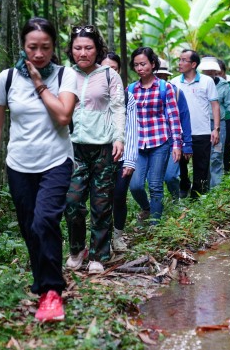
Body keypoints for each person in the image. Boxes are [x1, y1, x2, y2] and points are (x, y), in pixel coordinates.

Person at [0, 17, 78, 323]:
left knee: (46, 220)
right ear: (22, 47)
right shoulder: (7, 78)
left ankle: (51, 293)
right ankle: (42, 281)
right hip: (19, 164)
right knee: (30, 227)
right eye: (32, 47)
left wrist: (38, 83)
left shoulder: (65, 75)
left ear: (53, 48)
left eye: (45, 47)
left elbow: (63, 116)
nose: (38, 54)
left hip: (56, 160)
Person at [64, 26, 126, 274]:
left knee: (101, 204)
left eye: (88, 47)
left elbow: (118, 108)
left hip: (103, 148)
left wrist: (119, 138)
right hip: (73, 147)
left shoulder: (110, 75)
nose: (83, 52)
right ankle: (77, 249)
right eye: (78, 47)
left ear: (97, 49)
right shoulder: (66, 75)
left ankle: (99, 255)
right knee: (72, 202)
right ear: (71, 50)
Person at [128, 47, 182, 223]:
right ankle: (147, 208)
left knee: (155, 186)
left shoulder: (165, 87)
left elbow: (173, 117)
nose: (139, 68)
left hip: (160, 142)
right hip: (138, 144)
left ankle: (155, 225)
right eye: (136, 65)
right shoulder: (130, 89)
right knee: (135, 186)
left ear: (152, 64)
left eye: (143, 64)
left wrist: (177, 144)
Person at [171, 50, 220, 199]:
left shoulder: (207, 81)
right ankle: (184, 185)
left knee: (201, 166)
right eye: (179, 60)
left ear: (193, 64)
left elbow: (215, 105)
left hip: (202, 131)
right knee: (181, 165)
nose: (180, 63)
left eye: (184, 60)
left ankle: (197, 196)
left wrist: (216, 129)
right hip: (180, 132)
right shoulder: (173, 82)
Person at [101, 52, 138, 251]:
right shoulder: (91, 94)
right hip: (98, 156)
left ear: (119, 71)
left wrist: (130, 160)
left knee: (118, 195)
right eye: (106, 68)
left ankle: (118, 236)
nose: (110, 73)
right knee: (100, 198)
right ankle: (102, 238)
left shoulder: (127, 97)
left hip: (122, 156)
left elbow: (132, 129)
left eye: (114, 69)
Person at [198, 57, 230, 188]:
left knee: (216, 155)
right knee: (203, 156)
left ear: (216, 71)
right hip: (201, 124)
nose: (209, 72)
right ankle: (203, 185)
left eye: (212, 70)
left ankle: (215, 188)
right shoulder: (197, 83)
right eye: (207, 70)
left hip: (219, 125)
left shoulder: (223, 84)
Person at [154, 59, 193, 199]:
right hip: (153, 142)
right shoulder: (142, 92)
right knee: (154, 179)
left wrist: (187, 144)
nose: (159, 78)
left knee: (170, 176)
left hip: (173, 142)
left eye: (162, 75)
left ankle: (176, 200)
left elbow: (185, 118)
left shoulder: (176, 93)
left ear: (167, 76)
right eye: (157, 74)